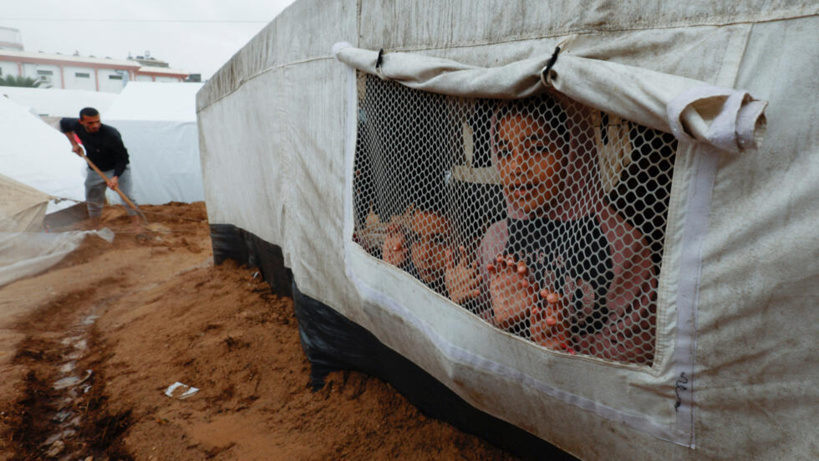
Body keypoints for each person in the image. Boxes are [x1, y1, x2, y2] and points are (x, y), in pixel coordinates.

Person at [446, 94, 656, 365]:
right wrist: (465, 302)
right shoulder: (496, 238)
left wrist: (569, 345)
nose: (517, 167)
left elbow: (639, 348)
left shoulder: (622, 244)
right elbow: (484, 324)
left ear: (574, 151)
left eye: (536, 149)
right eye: (506, 151)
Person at [60, 107, 140, 231]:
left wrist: (115, 177)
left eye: (98, 121)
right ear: (81, 122)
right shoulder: (76, 125)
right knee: (93, 200)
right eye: (90, 123)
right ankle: (94, 228)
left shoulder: (111, 134)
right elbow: (63, 123)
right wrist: (74, 144)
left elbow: (123, 158)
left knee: (128, 198)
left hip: (117, 169)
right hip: (95, 168)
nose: (96, 125)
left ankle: (137, 228)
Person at [381, 199, 453, 297]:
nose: (424, 256)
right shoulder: (409, 274)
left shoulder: (474, 292)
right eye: (417, 238)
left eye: (439, 241)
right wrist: (392, 270)